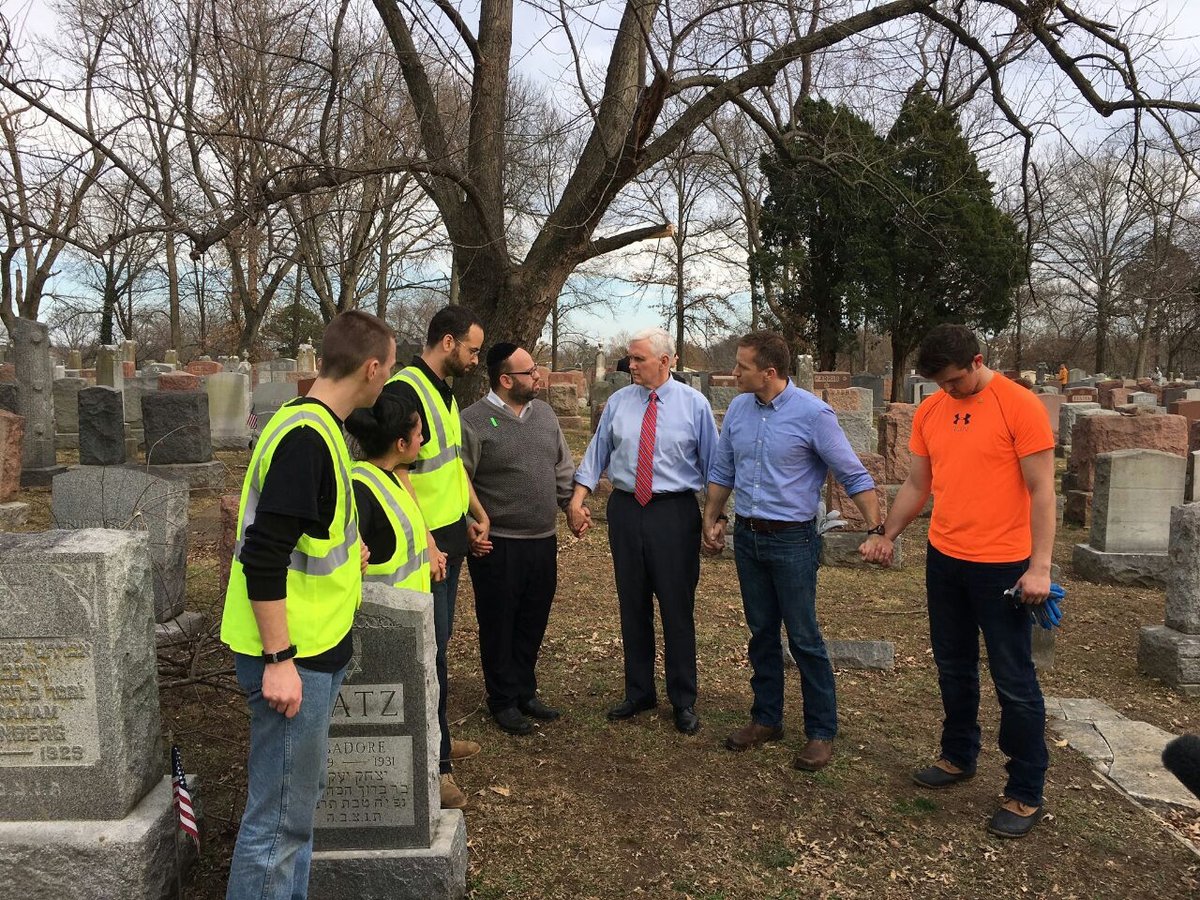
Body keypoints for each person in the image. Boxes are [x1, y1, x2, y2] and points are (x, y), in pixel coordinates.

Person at [221, 310, 396, 900]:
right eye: (389, 369)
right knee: (277, 825)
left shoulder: (311, 426)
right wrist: (280, 659)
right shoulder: (306, 440)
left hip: (314, 650)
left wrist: (352, 554)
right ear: (372, 369)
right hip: (295, 657)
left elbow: (307, 538)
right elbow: (263, 556)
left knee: (295, 813)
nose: (387, 381)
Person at [860, 323, 1056, 839]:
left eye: (954, 381)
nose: (947, 391)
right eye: (939, 384)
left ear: (977, 360)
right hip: (945, 558)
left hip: (1004, 566)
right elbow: (919, 483)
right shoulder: (930, 410)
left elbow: (1041, 491)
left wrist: (1040, 567)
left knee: (1014, 681)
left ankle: (1025, 789)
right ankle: (958, 754)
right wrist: (887, 532)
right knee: (953, 665)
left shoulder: (1020, 406)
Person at [702, 332, 881, 772]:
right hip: (749, 538)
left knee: (803, 637)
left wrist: (878, 528)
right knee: (761, 632)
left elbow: (852, 473)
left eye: (742, 366)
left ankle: (821, 732)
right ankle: (766, 719)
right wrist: (712, 517)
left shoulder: (813, 414)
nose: (735, 372)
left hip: (793, 541)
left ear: (769, 372)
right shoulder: (740, 410)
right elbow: (724, 468)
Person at [570, 327, 718, 734]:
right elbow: (597, 453)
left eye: (638, 359)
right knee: (632, 603)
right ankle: (638, 692)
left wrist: (715, 517)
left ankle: (683, 699)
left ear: (665, 361)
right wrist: (578, 498)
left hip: (673, 513)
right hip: (626, 510)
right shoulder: (619, 403)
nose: (630, 365)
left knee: (676, 606)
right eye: (629, 358)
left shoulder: (694, 406)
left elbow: (714, 469)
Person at [384, 305, 489, 810]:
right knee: (429, 650)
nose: (475, 359)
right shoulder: (405, 390)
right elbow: (398, 469)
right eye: (472, 349)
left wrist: (474, 512)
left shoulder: (444, 391)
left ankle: (441, 738)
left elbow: (448, 464)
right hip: (425, 543)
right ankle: (437, 765)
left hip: (451, 534)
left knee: (441, 643)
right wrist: (425, 539)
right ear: (447, 342)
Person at [461, 343, 580, 735]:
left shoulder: (544, 415)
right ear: (505, 379)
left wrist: (569, 506)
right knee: (499, 622)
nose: (539, 377)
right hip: (499, 544)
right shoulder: (473, 421)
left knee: (533, 618)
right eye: (530, 372)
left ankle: (525, 690)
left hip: (542, 539)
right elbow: (458, 480)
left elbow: (561, 463)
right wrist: (469, 526)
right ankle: (502, 700)